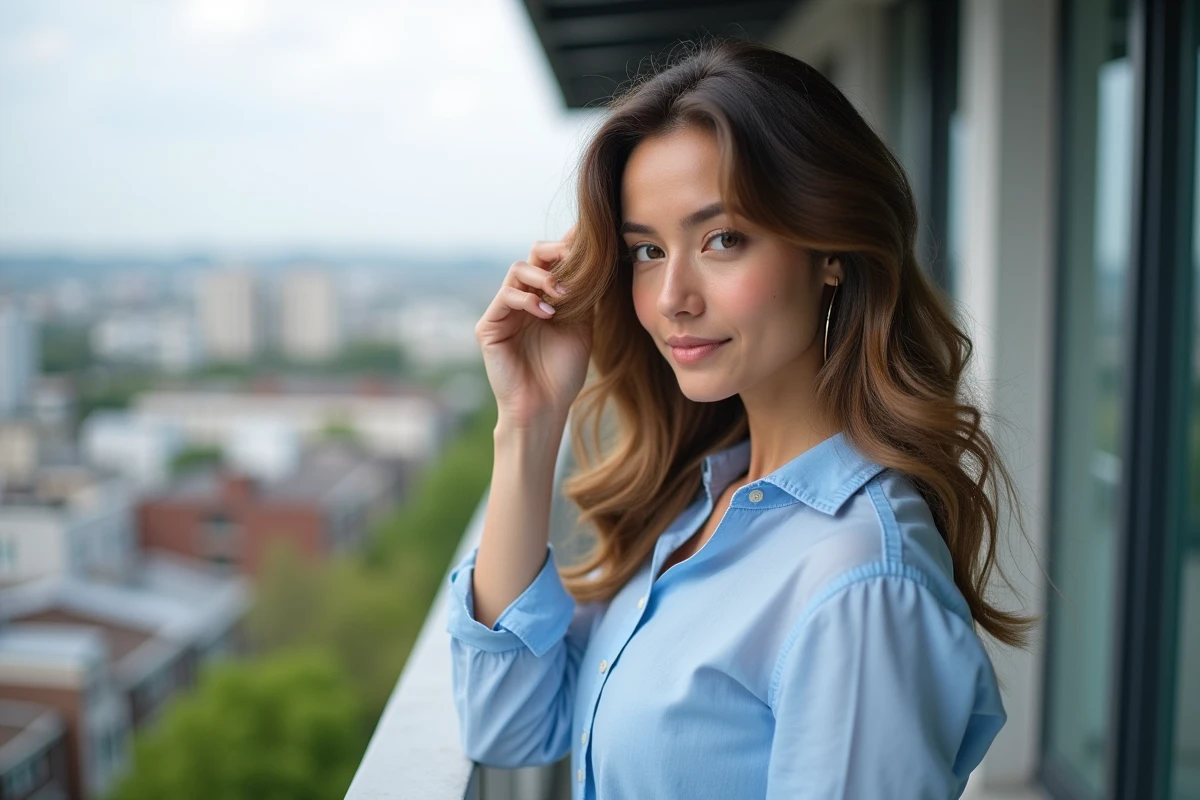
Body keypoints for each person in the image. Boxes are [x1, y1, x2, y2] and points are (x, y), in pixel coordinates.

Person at [445, 39, 1031, 799]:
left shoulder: (859, 585)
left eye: (723, 239)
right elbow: (507, 727)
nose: (671, 298)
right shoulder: (707, 499)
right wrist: (528, 422)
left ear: (829, 251)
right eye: (648, 251)